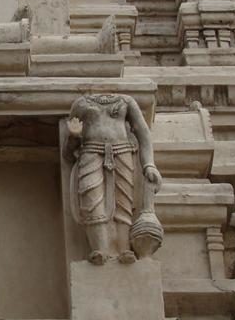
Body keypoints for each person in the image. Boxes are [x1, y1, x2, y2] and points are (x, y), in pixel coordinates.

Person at [65, 93, 162, 265]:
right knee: (91, 200)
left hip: (122, 152)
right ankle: (100, 249)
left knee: (123, 202)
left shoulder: (126, 101)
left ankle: (123, 249)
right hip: (90, 154)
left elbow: (143, 132)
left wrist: (149, 164)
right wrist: (73, 136)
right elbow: (67, 153)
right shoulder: (81, 104)